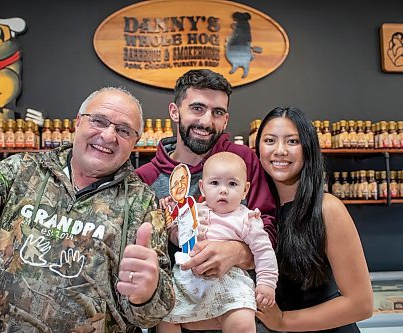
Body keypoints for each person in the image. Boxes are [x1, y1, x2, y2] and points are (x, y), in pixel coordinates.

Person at [0, 87, 175, 333]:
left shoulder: (143, 203)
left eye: (123, 130)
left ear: (134, 142)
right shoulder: (25, 169)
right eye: (99, 121)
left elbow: (151, 314)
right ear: (78, 122)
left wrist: (147, 293)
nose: (109, 135)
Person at [135, 68, 276, 279]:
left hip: (234, 299)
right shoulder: (145, 178)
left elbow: (269, 228)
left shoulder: (242, 160)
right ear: (174, 111)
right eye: (197, 108)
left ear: (226, 120)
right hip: (173, 302)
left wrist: (237, 253)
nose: (206, 122)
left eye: (217, 112)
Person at [254, 107, 373, 332]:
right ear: (258, 148)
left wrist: (283, 321)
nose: (279, 151)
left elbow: (361, 304)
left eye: (292, 142)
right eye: (270, 140)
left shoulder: (327, 209)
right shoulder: (255, 212)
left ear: (308, 149)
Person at [159, 152, 278, 333]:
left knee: (242, 319)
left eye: (232, 184)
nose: (223, 190)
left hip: (229, 282)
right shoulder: (192, 211)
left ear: (245, 190)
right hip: (188, 281)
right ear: (202, 187)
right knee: (165, 317)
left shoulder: (247, 218)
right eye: (215, 183)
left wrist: (266, 283)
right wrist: (169, 220)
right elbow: (180, 239)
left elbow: (264, 252)